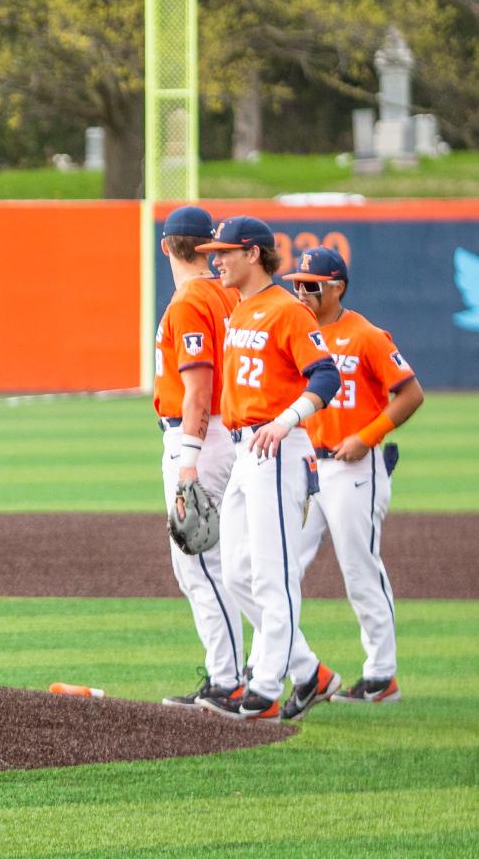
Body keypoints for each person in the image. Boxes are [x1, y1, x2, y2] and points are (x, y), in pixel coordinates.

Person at [191, 216, 342, 722]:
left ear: (253, 254)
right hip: (245, 450)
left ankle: (265, 688)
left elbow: (326, 375)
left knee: (273, 575)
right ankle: (309, 671)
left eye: (225, 251)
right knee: (236, 572)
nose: (216, 259)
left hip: (277, 446)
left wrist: (286, 422)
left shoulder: (286, 310)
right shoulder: (242, 308)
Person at [287, 247, 423, 704]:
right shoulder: (296, 332)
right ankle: (284, 664)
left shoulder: (364, 334)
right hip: (307, 468)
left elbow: (410, 393)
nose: (300, 291)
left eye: (310, 284)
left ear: (336, 287)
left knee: (360, 569)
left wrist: (368, 436)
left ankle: (381, 675)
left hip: (354, 469)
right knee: (283, 564)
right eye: (296, 283)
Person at [152, 206, 251, 710]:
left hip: (200, 437)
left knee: (200, 562)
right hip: (224, 434)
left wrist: (188, 458)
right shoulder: (225, 292)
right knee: (221, 561)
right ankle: (240, 671)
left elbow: (198, 389)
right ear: (208, 248)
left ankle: (228, 679)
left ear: (167, 246)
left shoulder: (191, 299)